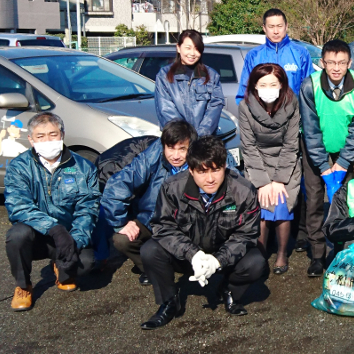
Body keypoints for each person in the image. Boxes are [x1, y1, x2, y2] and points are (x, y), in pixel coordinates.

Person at [140, 136, 263, 329]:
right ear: (190, 170)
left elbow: (247, 234)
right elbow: (162, 226)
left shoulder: (244, 190)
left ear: (225, 166)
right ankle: (169, 301)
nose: (211, 178)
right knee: (150, 250)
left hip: (222, 254)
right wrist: (193, 254)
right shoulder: (172, 188)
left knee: (256, 262)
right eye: (202, 172)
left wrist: (218, 260)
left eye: (216, 169)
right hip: (187, 255)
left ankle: (229, 290)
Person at [4, 113, 100, 311]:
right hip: (37, 235)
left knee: (86, 263)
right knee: (16, 235)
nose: (47, 140)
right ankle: (23, 286)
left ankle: (61, 266)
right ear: (31, 139)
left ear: (62, 134)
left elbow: (88, 208)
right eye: (40, 136)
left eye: (53, 134)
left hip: (69, 234)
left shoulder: (84, 167)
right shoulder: (19, 167)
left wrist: (75, 241)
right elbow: (18, 206)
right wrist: (54, 229)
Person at [299, 39, 354, 276]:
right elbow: (310, 129)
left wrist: (342, 163)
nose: (336, 68)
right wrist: (323, 165)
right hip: (316, 149)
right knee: (314, 202)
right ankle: (318, 255)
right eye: (330, 62)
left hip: (349, 151)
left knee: (350, 200)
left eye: (342, 62)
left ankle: (344, 250)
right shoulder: (309, 85)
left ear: (350, 63)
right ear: (322, 62)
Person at [99, 120, 197, 286]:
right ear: (163, 146)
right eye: (170, 148)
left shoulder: (200, 159)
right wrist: (120, 221)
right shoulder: (153, 155)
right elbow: (119, 183)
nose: (175, 155)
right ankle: (150, 268)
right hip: (152, 218)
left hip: (188, 225)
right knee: (121, 239)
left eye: (182, 149)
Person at [238, 63, 301, 275]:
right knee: (262, 206)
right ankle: (260, 254)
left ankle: (282, 254)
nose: (268, 88)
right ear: (254, 85)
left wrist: (279, 180)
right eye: (263, 84)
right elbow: (249, 147)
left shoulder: (292, 103)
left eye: (273, 84)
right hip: (258, 164)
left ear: (282, 84)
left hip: (287, 164)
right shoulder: (245, 107)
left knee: (282, 202)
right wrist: (263, 182)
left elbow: (292, 144)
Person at [235, 8, 315, 102]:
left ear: (286, 26)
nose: (276, 31)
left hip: (293, 114)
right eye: (271, 26)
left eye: (279, 26)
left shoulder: (301, 53)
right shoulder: (254, 55)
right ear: (264, 28)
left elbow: (310, 89)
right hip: (261, 114)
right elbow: (244, 91)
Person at [155, 30, 224, 137]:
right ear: (178, 48)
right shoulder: (164, 75)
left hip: (204, 141)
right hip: (177, 142)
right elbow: (166, 109)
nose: (192, 53)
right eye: (188, 48)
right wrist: (184, 137)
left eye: (197, 49)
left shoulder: (212, 75)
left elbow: (215, 107)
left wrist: (200, 135)